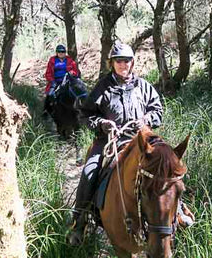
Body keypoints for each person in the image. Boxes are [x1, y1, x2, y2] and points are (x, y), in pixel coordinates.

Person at [68, 41, 193, 245]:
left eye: (126, 61)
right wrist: (102, 124)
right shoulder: (103, 87)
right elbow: (86, 113)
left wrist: (146, 121)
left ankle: (179, 211)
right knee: (89, 172)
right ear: (112, 63)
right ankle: (78, 222)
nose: (123, 64)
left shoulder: (143, 86)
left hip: (143, 140)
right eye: (118, 61)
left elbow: (157, 111)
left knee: (167, 166)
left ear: (132, 62)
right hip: (111, 140)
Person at [43, 44, 79, 115]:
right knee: (50, 94)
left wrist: (72, 73)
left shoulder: (70, 60)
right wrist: (52, 81)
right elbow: (48, 73)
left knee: (77, 92)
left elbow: (76, 71)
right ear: (57, 53)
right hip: (55, 80)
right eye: (59, 52)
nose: (61, 53)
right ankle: (46, 110)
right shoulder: (52, 60)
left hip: (67, 80)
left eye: (63, 52)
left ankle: (77, 109)